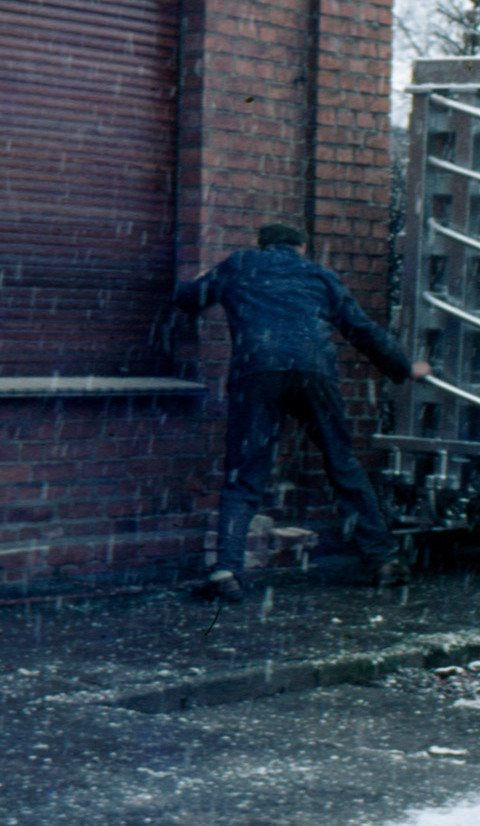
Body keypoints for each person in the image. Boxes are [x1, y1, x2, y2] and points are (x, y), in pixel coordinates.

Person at [174, 222, 431, 601]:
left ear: (262, 244)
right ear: (301, 248)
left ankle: (227, 571)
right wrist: (404, 367)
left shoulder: (240, 264)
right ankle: (383, 560)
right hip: (314, 371)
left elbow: (188, 298)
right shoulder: (319, 275)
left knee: (244, 475)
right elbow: (361, 329)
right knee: (342, 464)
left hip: (257, 370)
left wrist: (190, 281)